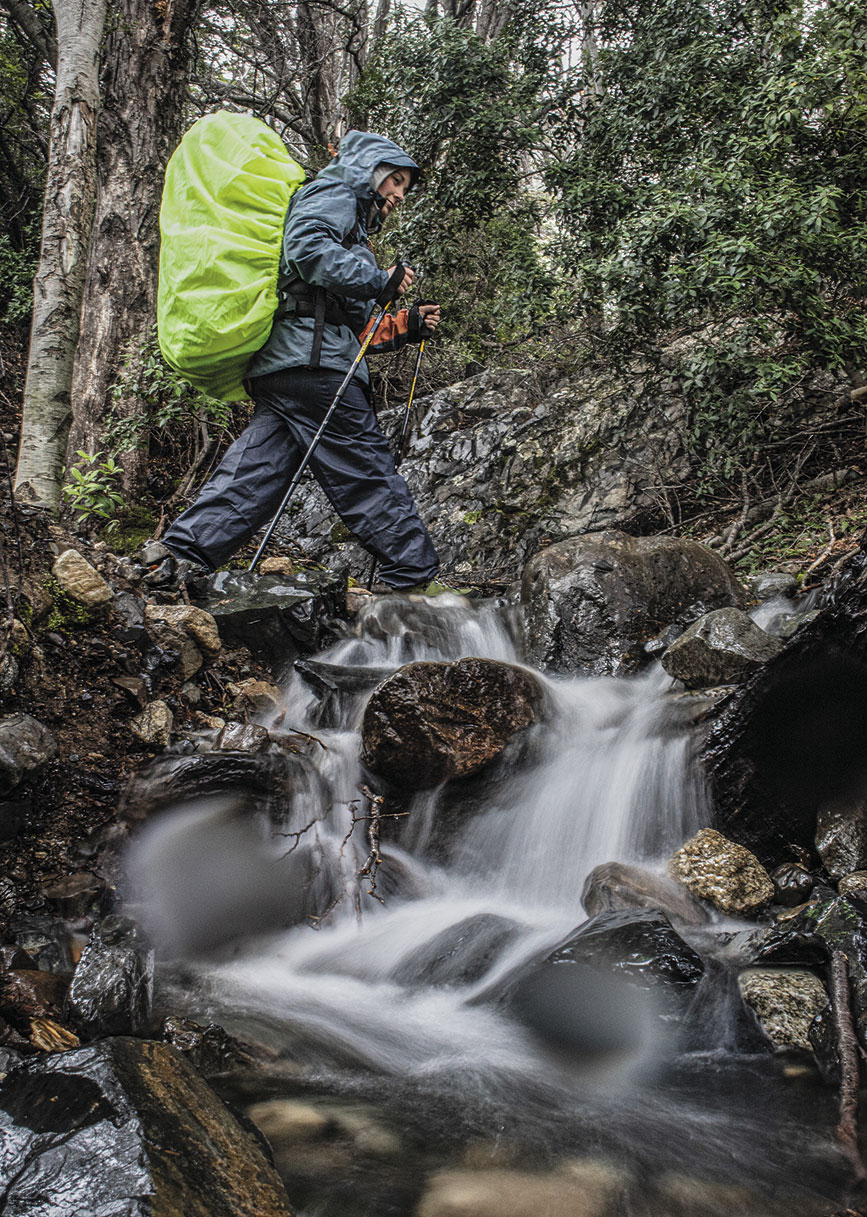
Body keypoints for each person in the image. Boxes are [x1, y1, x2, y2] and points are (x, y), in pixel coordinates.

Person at [147, 131, 442, 593]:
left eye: (404, 186)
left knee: (255, 473)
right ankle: (411, 575)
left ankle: (176, 558)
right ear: (372, 171)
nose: (400, 195)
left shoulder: (349, 220)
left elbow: (355, 327)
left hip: (287, 366)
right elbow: (307, 250)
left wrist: (405, 325)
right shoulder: (336, 191)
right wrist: (378, 278)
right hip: (315, 366)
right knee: (362, 468)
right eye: (397, 181)